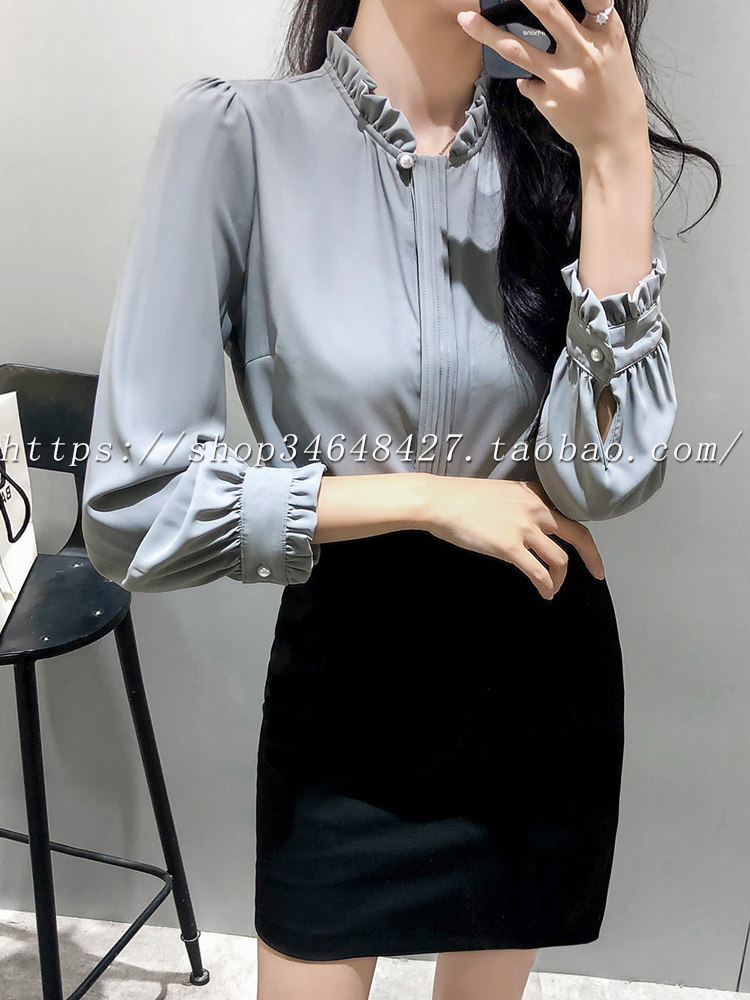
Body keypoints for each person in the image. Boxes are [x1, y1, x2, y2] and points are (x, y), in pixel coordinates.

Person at [81, 1, 721, 998]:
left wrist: (618, 162)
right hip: (349, 692)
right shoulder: (238, 138)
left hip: (537, 683)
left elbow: (603, 475)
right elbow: (134, 507)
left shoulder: (558, 151)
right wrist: (428, 499)